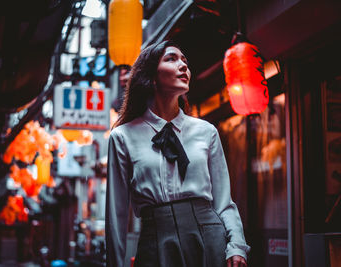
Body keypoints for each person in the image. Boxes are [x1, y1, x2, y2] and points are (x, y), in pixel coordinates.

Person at [106, 40, 250, 267]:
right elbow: (116, 215)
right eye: (171, 59)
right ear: (151, 76)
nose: (183, 66)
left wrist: (236, 245)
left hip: (209, 237)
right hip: (156, 242)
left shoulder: (206, 132)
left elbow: (223, 202)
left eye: (185, 61)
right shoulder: (123, 136)